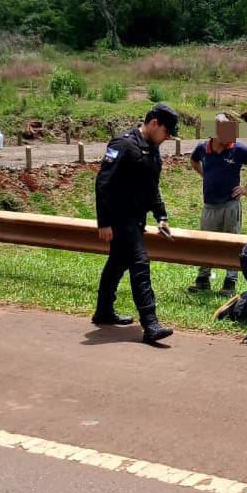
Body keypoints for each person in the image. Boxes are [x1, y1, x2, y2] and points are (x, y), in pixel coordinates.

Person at [92, 104, 179, 345]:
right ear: (153, 124)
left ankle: (103, 311)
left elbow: (152, 188)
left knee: (117, 264)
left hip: (137, 218)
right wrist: (105, 222)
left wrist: (161, 216)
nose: (168, 137)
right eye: (167, 132)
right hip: (120, 219)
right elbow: (103, 184)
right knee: (140, 264)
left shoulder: (151, 149)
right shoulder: (123, 145)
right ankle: (150, 324)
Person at [189, 114, 247, 295]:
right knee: (206, 243)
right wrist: (205, 175)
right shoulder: (202, 148)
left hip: (231, 205)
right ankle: (203, 279)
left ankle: (230, 282)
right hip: (209, 206)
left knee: (232, 243)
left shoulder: (238, 149)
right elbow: (193, 160)